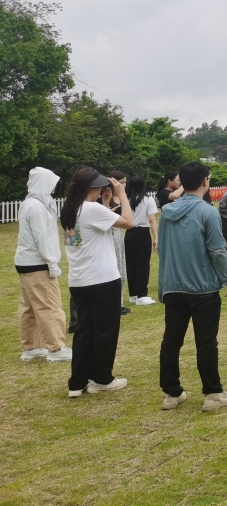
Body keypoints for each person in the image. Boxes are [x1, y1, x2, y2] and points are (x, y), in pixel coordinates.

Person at [158, 161, 227, 412]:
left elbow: (162, 249)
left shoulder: (167, 212)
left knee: (171, 341)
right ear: (205, 181)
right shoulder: (207, 212)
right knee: (205, 342)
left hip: (173, 286)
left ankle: (171, 393)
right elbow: (217, 250)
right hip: (202, 288)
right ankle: (213, 394)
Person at [61, 168, 133, 397]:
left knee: (84, 330)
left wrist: (105, 204)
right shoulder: (92, 209)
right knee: (105, 330)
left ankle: (77, 382)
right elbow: (129, 222)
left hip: (79, 279)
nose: (103, 189)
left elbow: (89, 230)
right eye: (100, 186)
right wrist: (122, 195)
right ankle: (102, 378)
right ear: (91, 188)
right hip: (102, 279)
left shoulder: (71, 208)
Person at [15, 167, 72, 363]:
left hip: (27, 263)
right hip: (38, 264)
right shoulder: (36, 207)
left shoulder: (30, 203)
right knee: (49, 305)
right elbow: (41, 236)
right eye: (52, 183)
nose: (54, 187)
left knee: (29, 307)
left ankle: (30, 347)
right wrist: (51, 261)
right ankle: (56, 348)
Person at [124, 176, 159, 305]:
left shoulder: (127, 200)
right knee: (142, 265)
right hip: (142, 233)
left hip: (129, 233)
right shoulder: (148, 200)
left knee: (131, 264)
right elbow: (152, 219)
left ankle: (133, 294)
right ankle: (142, 295)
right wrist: (156, 237)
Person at [106, 171, 133, 313]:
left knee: (121, 267)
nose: (123, 185)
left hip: (119, 234)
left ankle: (119, 301)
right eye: (121, 182)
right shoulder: (104, 198)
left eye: (124, 182)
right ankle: (114, 303)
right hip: (109, 234)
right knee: (113, 267)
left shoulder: (123, 198)